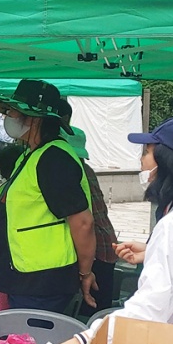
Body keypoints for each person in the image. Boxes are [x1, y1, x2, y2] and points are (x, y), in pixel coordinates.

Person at [61, 116, 173, 344]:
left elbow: (149, 309)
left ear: (168, 163)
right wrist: (152, 251)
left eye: (148, 152)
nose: (142, 161)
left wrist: (84, 341)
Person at [0, 79, 96, 313]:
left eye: (13, 112)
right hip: (28, 277)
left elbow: (83, 223)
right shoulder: (33, 154)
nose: (8, 117)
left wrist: (85, 272)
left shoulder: (54, 158)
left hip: (42, 282)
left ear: (34, 118)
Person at [63, 127, 119, 315]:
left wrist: (85, 271)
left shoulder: (71, 173)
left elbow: (83, 222)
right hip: (104, 245)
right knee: (98, 312)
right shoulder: (85, 169)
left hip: (96, 250)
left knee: (91, 314)